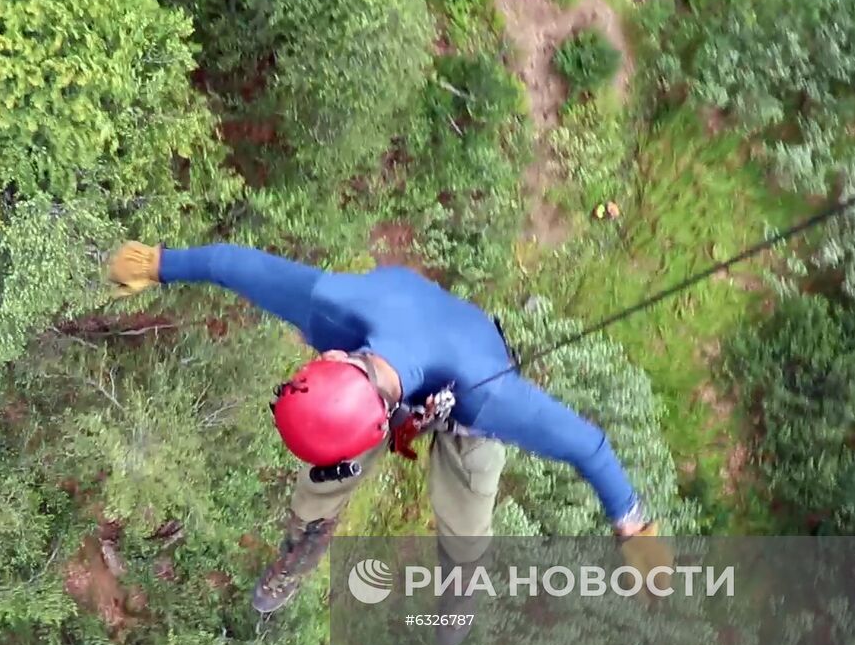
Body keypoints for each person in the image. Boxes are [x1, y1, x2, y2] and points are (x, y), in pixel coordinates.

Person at [106, 241, 671, 619]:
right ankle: (304, 543)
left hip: (464, 403)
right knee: (321, 485)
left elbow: (589, 446)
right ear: (329, 355)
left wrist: (634, 527)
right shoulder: (331, 308)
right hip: (391, 348)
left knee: (469, 512)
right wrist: (158, 263)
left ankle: (459, 584)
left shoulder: (491, 396)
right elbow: (234, 264)